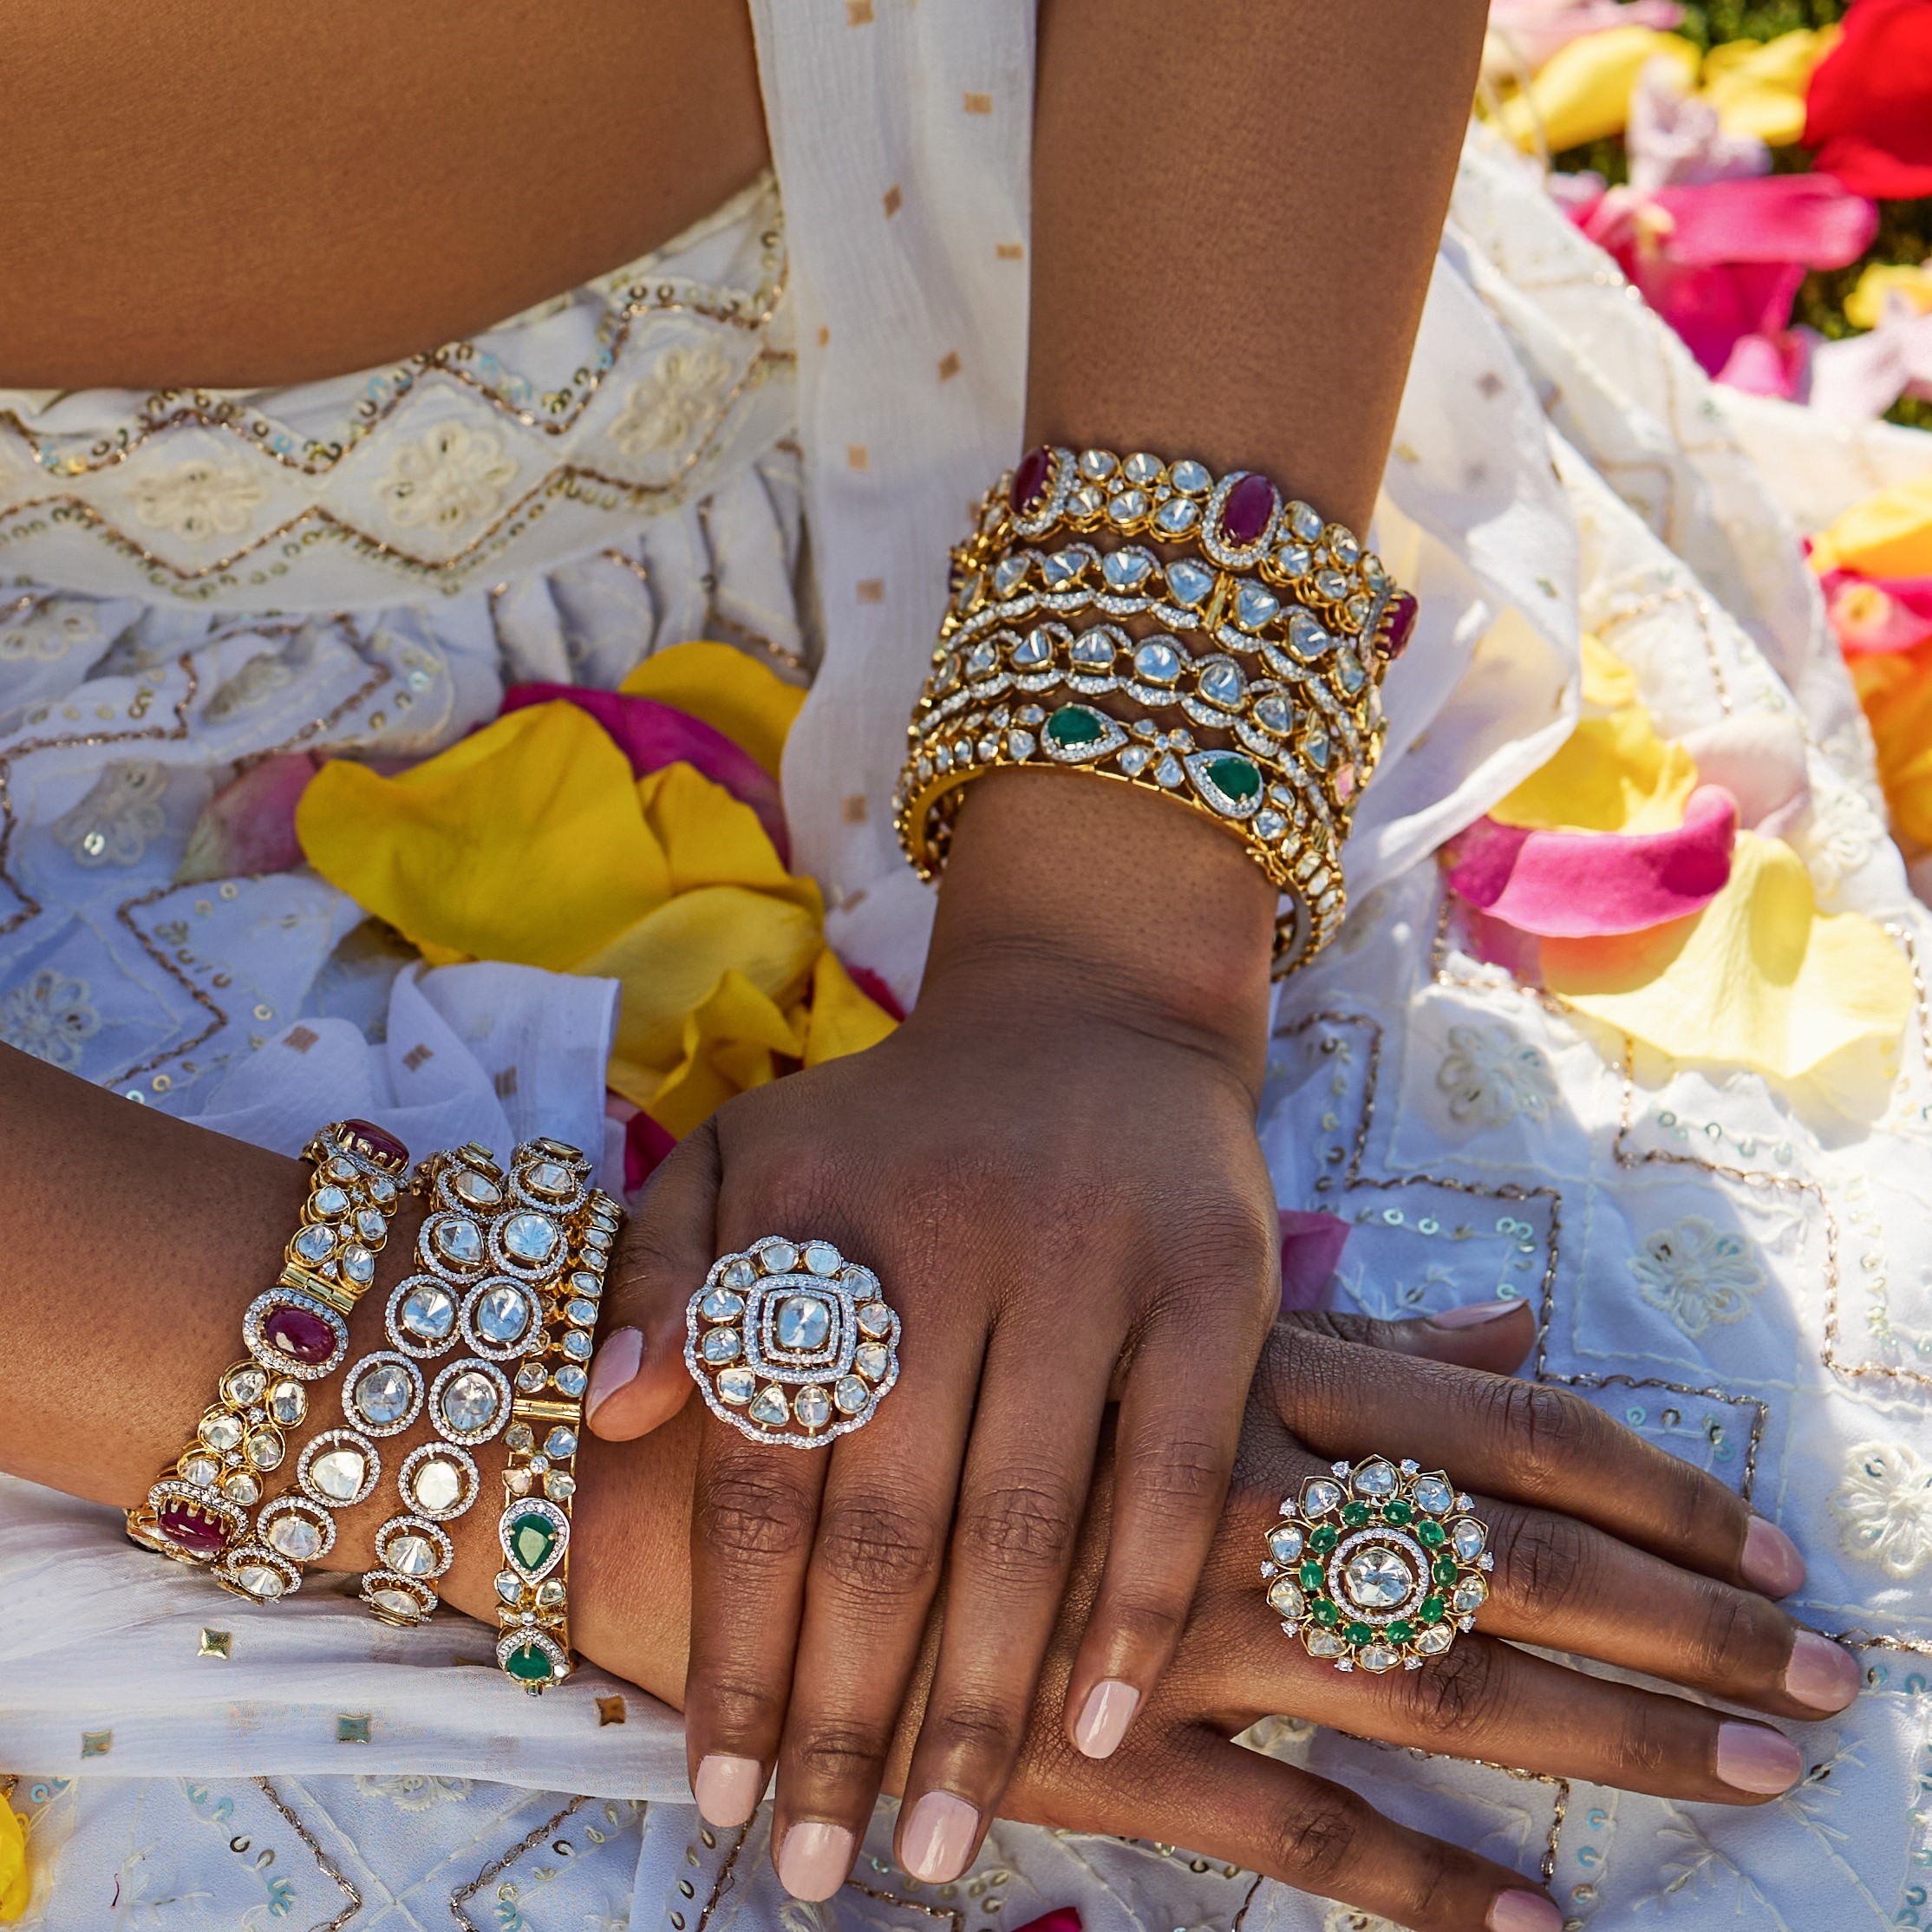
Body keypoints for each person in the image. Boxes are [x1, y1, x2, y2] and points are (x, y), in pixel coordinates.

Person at [0, 5, 1912, 1930]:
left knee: (1786, 1676)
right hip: (88, 1167)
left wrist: (1118, 941)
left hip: (1104, 404)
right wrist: (479, 1422)